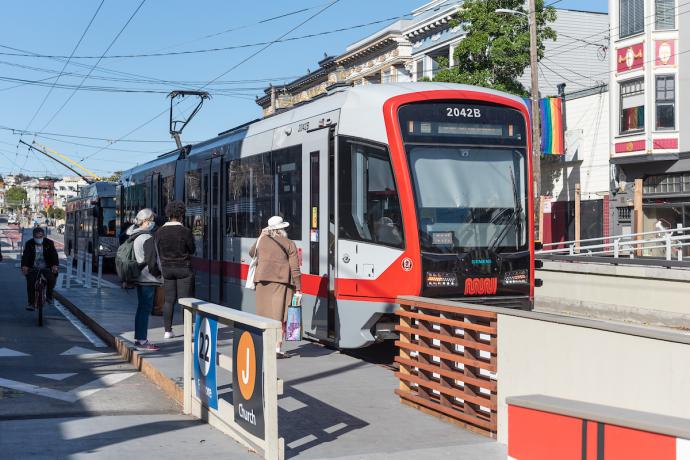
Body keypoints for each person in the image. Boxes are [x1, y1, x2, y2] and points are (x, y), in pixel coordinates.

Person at [249, 216, 302, 358]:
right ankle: (276, 349)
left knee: (264, 314)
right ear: (282, 229)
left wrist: (261, 235)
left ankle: (265, 346)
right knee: (279, 316)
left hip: (262, 282)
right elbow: (295, 268)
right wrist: (298, 287)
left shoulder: (261, 241)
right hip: (281, 282)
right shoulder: (289, 243)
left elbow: (251, 253)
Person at [154, 201, 195, 339]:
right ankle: (188, 330)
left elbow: (158, 250)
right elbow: (192, 249)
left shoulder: (159, 232)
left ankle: (167, 331)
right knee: (185, 300)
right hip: (183, 269)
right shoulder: (185, 231)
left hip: (166, 269)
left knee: (169, 300)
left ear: (168, 214)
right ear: (181, 215)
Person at [125, 208, 162, 351]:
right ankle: (142, 339)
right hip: (147, 278)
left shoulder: (134, 235)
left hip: (140, 277)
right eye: (151, 220)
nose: (153, 223)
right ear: (146, 221)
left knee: (141, 309)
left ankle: (140, 338)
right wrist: (158, 275)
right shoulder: (146, 237)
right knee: (145, 309)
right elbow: (151, 261)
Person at [21, 227, 59, 311]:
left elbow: (54, 255)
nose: (39, 239)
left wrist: (55, 265)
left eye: (40, 236)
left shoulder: (49, 243)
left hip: (47, 267)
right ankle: (31, 303)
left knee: (51, 279)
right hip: (33, 267)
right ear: (33, 236)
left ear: (44, 236)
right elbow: (25, 256)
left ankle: (49, 297)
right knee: (30, 282)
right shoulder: (29, 243)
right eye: (36, 237)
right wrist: (24, 266)